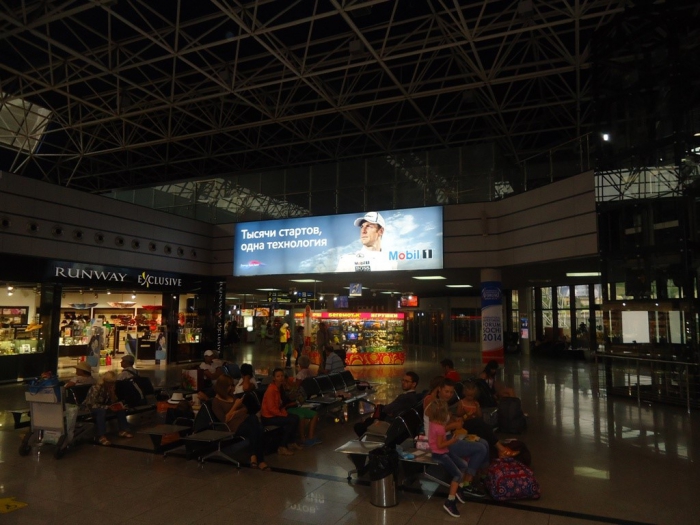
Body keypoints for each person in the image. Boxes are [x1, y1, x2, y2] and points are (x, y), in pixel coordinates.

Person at [427, 379, 489, 498]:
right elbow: (433, 431)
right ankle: (466, 484)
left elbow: (444, 423)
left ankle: (483, 475)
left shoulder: (443, 405)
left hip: (449, 437)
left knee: (484, 443)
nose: (449, 395)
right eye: (446, 391)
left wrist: (455, 420)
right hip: (443, 442)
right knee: (481, 448)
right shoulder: (435, 407)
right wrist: (453, 425)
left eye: (451, 392)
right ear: (439, 390)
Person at [210, 375, 270, 471]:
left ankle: (253, 456)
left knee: (254, 420)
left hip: (245, 419)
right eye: (229, 386)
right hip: (233, 426)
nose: (231, 388)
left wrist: (234, 413)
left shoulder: (231, 396)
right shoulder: (216, 402)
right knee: (257, 429)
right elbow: (224, 419)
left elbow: (244, 409)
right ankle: (260, 460)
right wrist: (235, 407)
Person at [427, 398, 471, 518]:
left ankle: (458, 489)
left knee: (464, 465)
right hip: (440, 454)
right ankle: (450, 501)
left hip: (443, 451)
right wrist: (452, 441)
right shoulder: (440, 428)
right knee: (458, 475)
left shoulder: (433, 423)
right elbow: (440, 445)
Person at [354, 372, 419, 437]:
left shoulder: (405, 397)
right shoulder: (413, 396)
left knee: (359, 426)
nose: (403, 383)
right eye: (403, 380)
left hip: (390, 425)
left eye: (406, 381)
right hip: (395, 422)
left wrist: (388, 411)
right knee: (368, 420)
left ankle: (369, 439)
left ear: (414, 384)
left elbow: (387, 409)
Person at [84, 370, 133, 446]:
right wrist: (107, 407)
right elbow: (91, 404)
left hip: (105, 407)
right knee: (101, 412)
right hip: (93, 408)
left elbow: (113, 401)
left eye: (113, 382)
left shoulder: (110, 388)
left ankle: (123, 430)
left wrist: (112, 393)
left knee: (120, 410)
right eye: (110, 382)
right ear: (105, 381)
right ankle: (101, 436)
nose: (112, 384)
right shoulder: (96, 388)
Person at [261, 368, 302, 456]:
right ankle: (282, 446)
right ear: (274, 378)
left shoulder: (279, 388)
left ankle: (291, 442)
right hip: (268, 417)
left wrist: (284, 413)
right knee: (291, 420)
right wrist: (282, 415)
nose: (281, 378)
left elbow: (281, 405)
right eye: (278, 376)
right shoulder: (271, 390)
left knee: (295, 418)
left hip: (275, 414)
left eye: (282, 376)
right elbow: (271, 409)